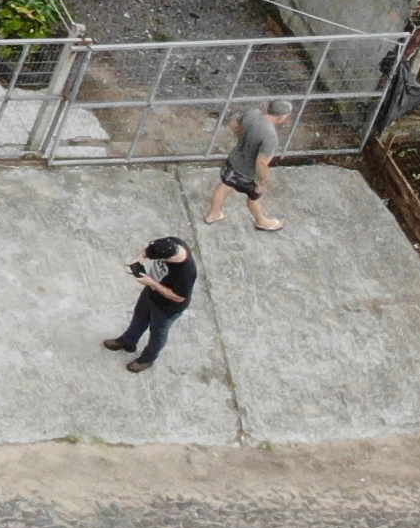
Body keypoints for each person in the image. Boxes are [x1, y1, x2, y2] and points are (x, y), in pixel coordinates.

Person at [105, 236, 195, 374]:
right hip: (151, 293)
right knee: (139, 317)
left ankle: (147, 359)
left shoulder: (186, 272)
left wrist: (152, 283)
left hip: (167, 308)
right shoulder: (170, 243)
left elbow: (178, 298)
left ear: (169, 259)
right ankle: (128, 341)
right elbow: (147, 252)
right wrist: (137, 260)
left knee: (158, 333)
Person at [203, 100, 293, 233]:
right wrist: (263, 183)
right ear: (281, 117)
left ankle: (213, 214)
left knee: (225, 186)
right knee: (254, 197)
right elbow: (261, 162)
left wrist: (241, 139)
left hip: (233, 161)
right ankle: (262, 221)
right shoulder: (270, 136)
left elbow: (233, 124)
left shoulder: (253, 114)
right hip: (246, 173)